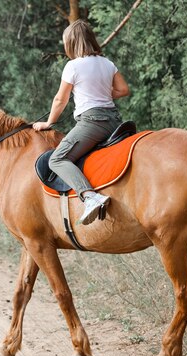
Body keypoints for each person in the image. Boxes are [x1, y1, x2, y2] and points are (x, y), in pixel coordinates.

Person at [33, 19, 130, 226]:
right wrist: (100, 91)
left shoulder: (73, 66)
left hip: (92, 122)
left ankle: (90, 196)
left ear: (72, 43)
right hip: (114, 121)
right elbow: (123, 90)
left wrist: (48, 123)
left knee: (57, 159)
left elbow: (60, 99)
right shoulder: (107, 63)